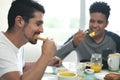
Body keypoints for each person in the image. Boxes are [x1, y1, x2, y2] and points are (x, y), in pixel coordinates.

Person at [0, 0, 62, 80]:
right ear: (19, 21)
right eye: (38, 24)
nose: (42, 30)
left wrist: (48, 62)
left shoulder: (16, 44)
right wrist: (45, 56)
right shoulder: (2, 48)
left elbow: (22, 67)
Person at [55, 1, 120, 69]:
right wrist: (73, 43)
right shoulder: (79, 37)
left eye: (99, 22)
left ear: (106, 23)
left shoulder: (115, 39)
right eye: (92, 21)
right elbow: (54, 58)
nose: (94, 25)